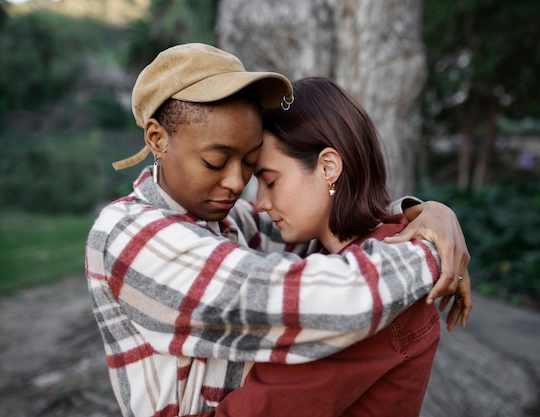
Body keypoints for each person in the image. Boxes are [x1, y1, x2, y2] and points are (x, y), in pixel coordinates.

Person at [85, 43, 472, 417]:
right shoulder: (132, 234)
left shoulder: (224, 220)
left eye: (251, 164)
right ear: (158, 139)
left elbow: (335, 225)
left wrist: (426, 214)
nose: (238, 184)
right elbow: (327, 299)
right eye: (215, 161)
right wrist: (432, 251)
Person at [214, 77, 468, 417]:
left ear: (328, 167)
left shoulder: (372, 288)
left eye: (270, 181)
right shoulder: (353, 256)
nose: (260, 202)